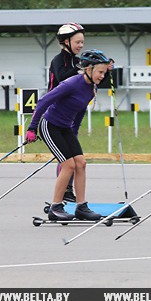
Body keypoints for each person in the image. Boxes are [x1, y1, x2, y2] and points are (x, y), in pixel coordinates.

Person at [25, 49, 112, 221]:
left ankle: (81, 207)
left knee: (81, 163)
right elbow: (43, 101)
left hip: (65, 128)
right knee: (68, 165)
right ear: (89, 69)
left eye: (105, 72)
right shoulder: (71, 83)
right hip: (50, 126)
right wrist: (32, 128)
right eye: (100, 72)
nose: (103, 76)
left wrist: (73, 135)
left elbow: (79, 113)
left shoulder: (91, 88)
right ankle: (55, 207)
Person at [48, 22, 86, 203]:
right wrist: (81, 69)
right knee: (66, 159)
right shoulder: (58, 60)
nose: (80, 46)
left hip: (73, 113)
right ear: (65, 42)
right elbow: (63, 77)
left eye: (82, 42)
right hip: (56, 113)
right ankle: (65, 192)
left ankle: (69, 192)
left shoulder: (78, 61)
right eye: (77, 42)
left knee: (73, 155)